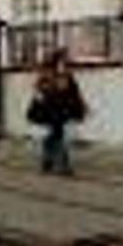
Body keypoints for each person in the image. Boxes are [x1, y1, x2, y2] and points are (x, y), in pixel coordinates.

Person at [27, 48, 86, 176]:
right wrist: (39, 104)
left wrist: (81, 107)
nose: (65, 63)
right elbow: (39, 93)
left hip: (62, 112)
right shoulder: (46, 75)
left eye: (65, 61)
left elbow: (74, 93)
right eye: (63, 60)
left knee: (58, 136)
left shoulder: (67, 76)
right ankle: (58, 164)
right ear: (56, 61)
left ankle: (52, 162)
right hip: (50, 111)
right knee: (56, 136)